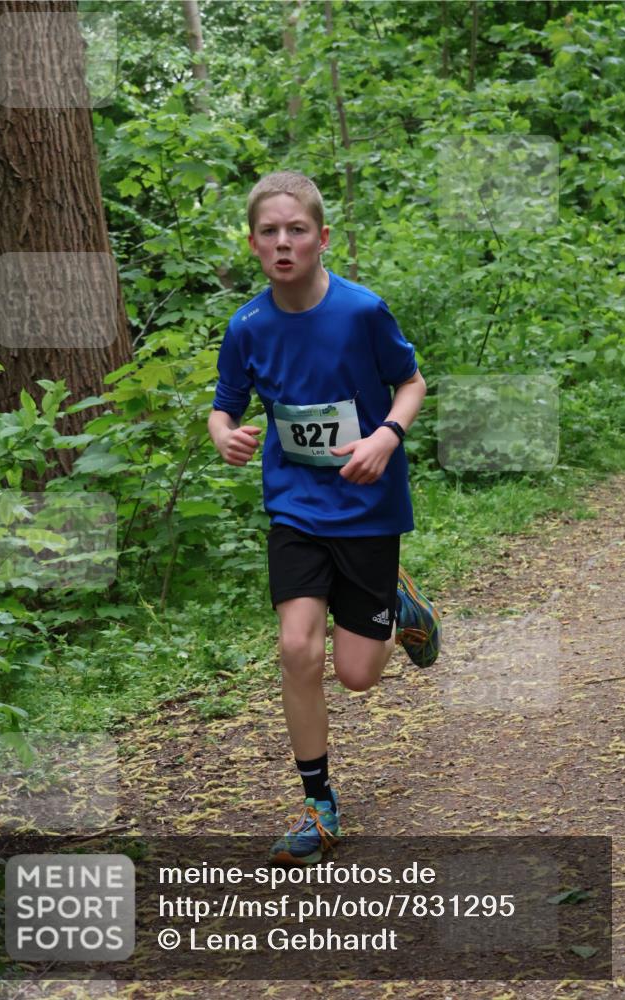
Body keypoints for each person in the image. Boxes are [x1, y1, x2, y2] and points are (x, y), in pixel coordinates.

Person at [208, 170, 440, 866]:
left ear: (320, 238)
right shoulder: (246, 326)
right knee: (296, 650)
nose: (284, 243)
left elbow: (411, 382)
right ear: (253, 244)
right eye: (270, 232)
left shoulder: (362, 311)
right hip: (296, 510)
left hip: (367, 507)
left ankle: (401, 604)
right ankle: (318, 806)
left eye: (296, 230)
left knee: (358, 675)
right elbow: (226, 406)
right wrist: (224, 433)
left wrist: (384, 437)